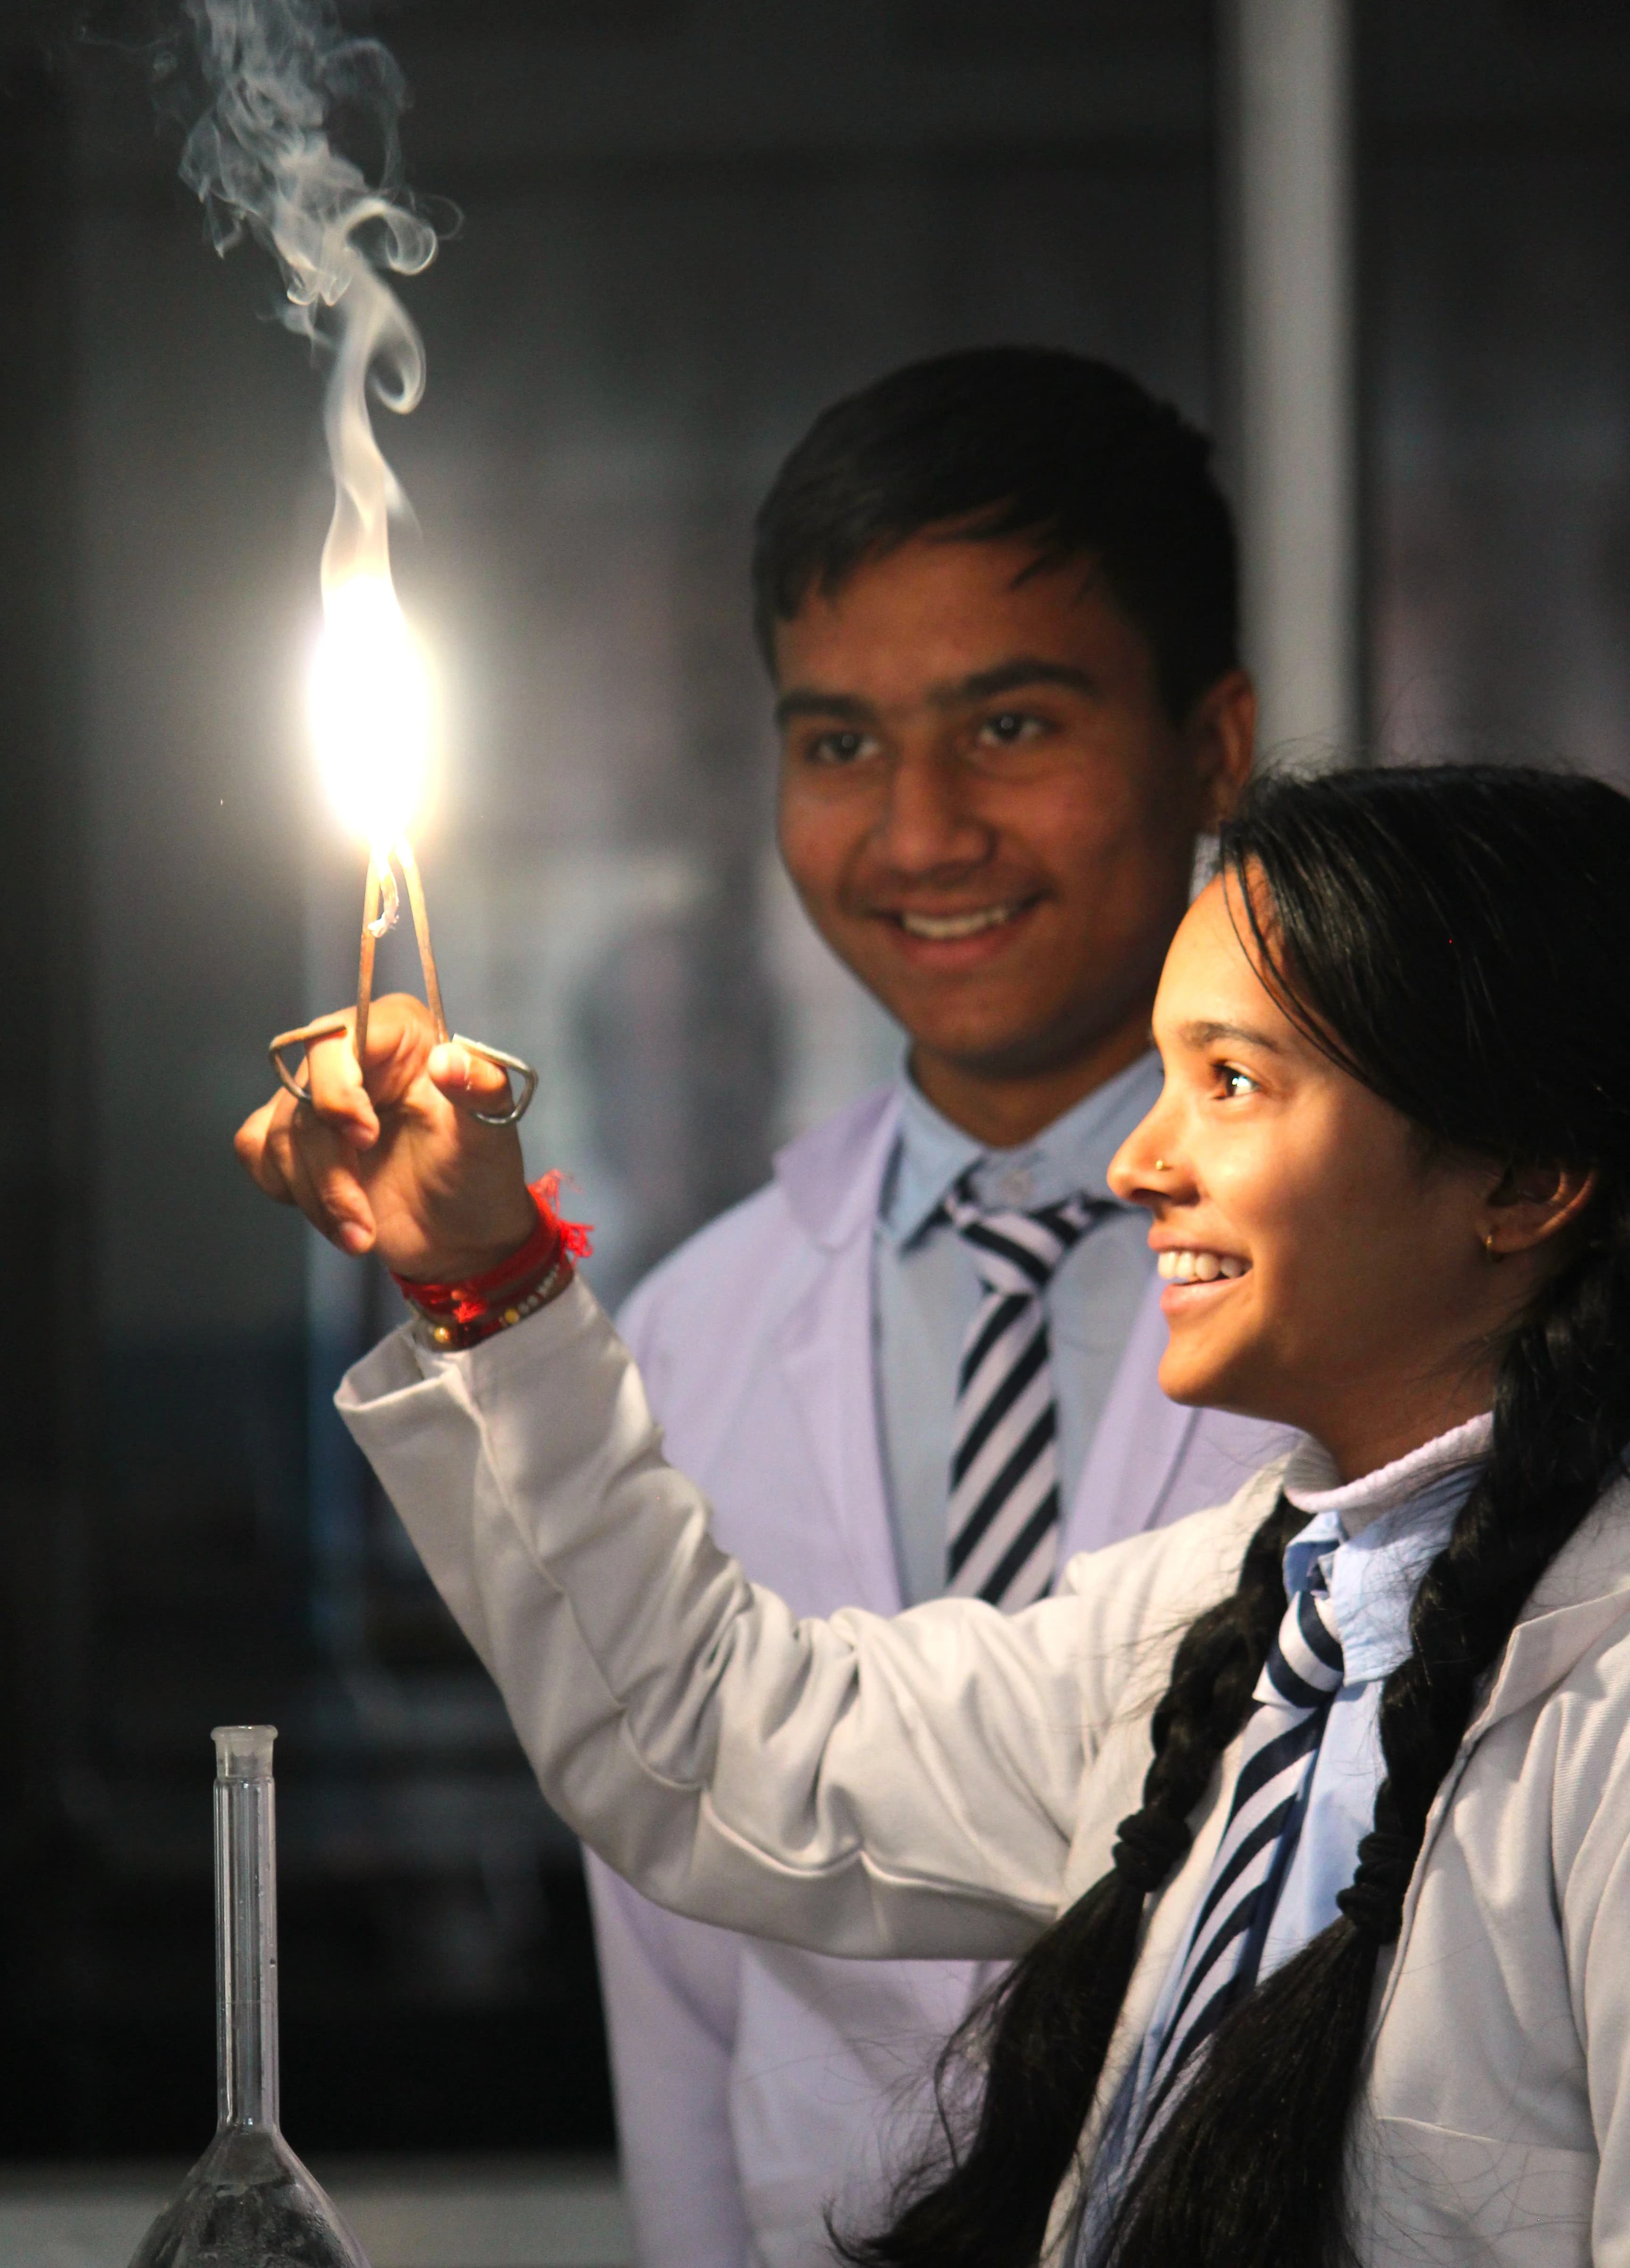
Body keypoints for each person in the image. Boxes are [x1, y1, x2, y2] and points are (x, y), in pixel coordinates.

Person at [239, 763, 1630, 2268]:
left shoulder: (1598, 1713)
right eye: (1164, 1078)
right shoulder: (1229, 1623)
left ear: (1529, 1178)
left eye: (1230, 1082)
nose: (1137, 1164)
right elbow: (721, 1744)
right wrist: (483, 1281)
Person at [595, 349, 1270, 2260]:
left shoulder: (1397, 1287)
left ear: (1213, 743)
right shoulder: (696, 1334)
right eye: (838, 745)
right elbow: (679, 1990)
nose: (916, 834)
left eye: (1010, 727)